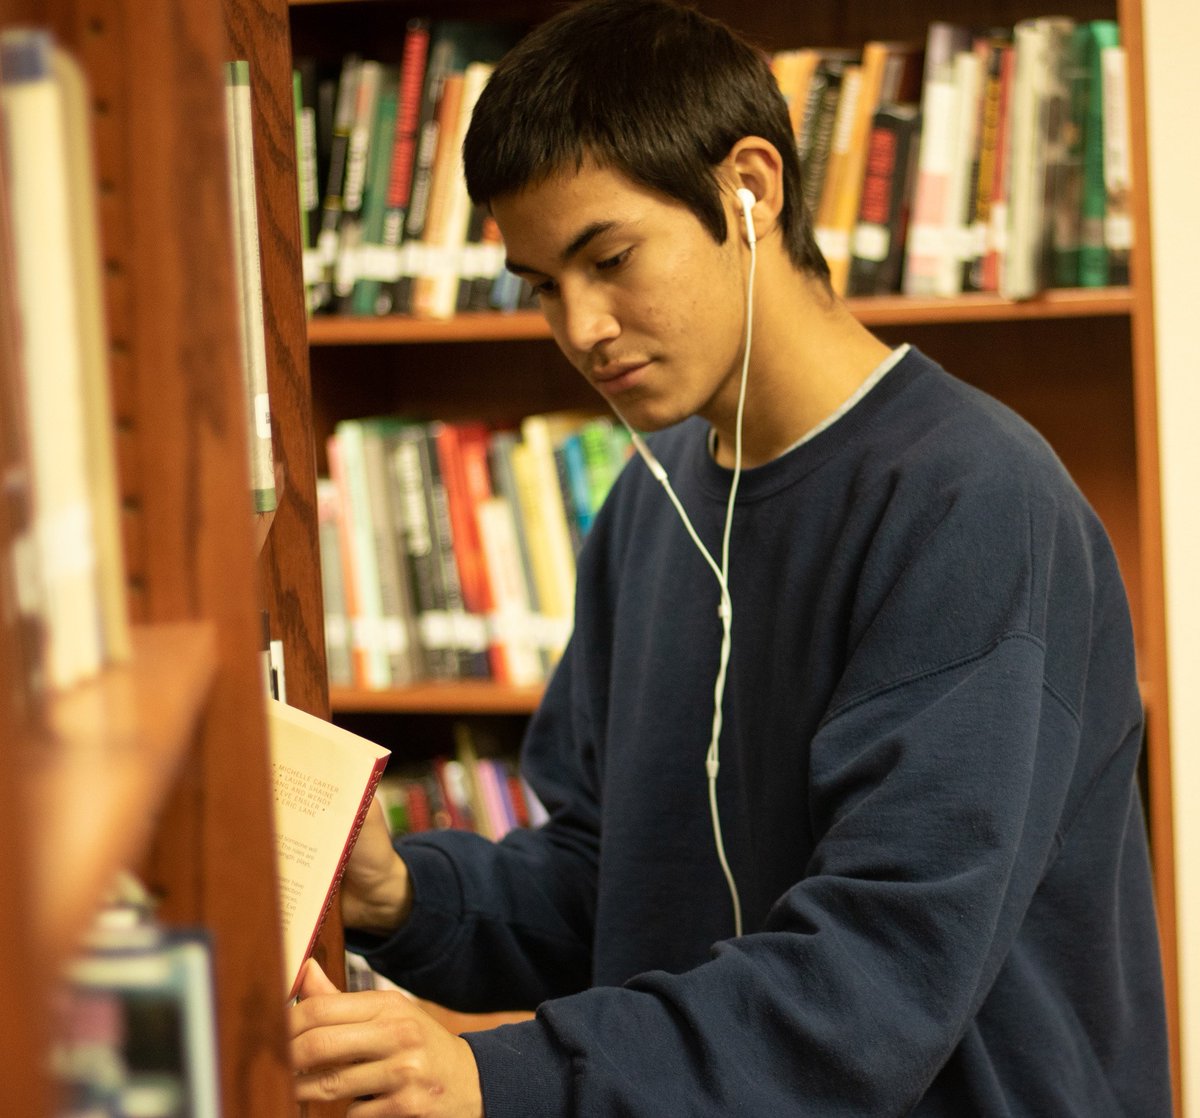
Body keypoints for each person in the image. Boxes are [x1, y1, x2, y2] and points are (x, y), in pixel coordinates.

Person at [287, 1, 1172, 1114]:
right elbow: (613, 883)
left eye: (610, 258)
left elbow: (881, 978)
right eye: (543, 286)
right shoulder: (650, 502)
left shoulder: (973, 502)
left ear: (751, 186)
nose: (582, 327)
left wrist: (496, 1075)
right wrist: (404, 892)